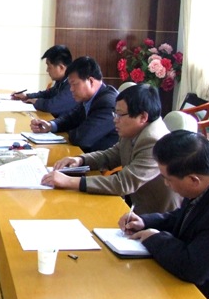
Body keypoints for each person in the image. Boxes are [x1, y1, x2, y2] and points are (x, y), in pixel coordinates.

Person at [119, 131, 209, 299]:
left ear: (193, 180)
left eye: (168, 179)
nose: (166, 184)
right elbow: (184, 217)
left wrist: (155, 238)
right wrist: (145, 222)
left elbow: (193, 268)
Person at [42, 84, 181, 214]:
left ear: (143, 117)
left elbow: (123, 183)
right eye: (115, 113)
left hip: (156, 216)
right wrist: (80, 160)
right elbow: (111, 155)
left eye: (120, 114)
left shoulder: (154, 141)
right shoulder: (134, 129)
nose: (115, 119)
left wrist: (69, 181)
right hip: (135, 206)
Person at [30, 56, 118, 152]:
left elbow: (82, 138)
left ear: (91, 81)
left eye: (74, 84)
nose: (71, 89)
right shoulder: (90, 97)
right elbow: (71, 118)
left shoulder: (108, 103)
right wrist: (50, 125)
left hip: (101, 159)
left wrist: (68, 133)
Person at [11, 45, 77, 117]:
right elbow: (48, 94)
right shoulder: (62, 81)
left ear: (61, 67)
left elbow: (53, 106)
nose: (47, 70)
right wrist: (27, 96)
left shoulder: (73, 84)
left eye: (49, 66)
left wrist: (36, 101)